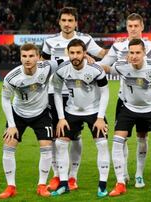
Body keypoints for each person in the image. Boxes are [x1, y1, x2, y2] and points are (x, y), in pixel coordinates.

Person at [41, 6, 107, 191]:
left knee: (75, 136)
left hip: (78, 95)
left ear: (76, 22)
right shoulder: (50, 41)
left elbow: (103, 54)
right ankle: (57, 175)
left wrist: (106, 59)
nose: (67, 24)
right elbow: (42, 63)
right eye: (64, 20)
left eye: (71, 20)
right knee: (57, 137)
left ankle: (72, 177)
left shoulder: (86, 39)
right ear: (59, 22)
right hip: (55, 93)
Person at [99, 13, 151, 188]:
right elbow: (105, 65)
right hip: (124, 99)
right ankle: (123, 172)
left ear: (142, 27)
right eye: (130, 26)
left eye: (136, 26)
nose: (133, 29)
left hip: (146, 100)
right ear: (127, 27)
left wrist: (138, 60)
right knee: (121, 138)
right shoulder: (118, 46)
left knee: (142, 137)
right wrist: (90, 63)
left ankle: (139, 174)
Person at [108, 39, 151, 197]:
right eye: (131, 52)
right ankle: (121, 182)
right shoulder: (121, 66)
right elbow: (106, 68)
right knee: (117, 142)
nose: (134, 56)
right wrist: (90, 61)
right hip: (128, 108)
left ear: (144, 53)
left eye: (137, 52)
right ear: (128, 53)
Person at [0, 43, 61, 199]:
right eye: (24, 56)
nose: (27, 59)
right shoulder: (12, 77)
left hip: (41, 113)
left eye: (31, 56)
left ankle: (41, 185)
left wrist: (87, 58)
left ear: (38, 57)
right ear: (20, 57)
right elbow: (5, 99)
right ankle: (11, 186)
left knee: (46, 146)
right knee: (8, 147)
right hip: (18, 113)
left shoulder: (47, 67)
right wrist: (11, 125)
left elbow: (63, 61)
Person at [51, 39, 110, 197]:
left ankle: (102, 186)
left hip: (94, 112)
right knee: (60, 144)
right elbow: (56, 91)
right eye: (72, 53)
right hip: (71, 111)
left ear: (85, 53)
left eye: (78, 52)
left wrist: (100, 117)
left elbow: (105, 93)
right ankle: (64, 184)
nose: (75, 56)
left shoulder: (96, 69)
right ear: (68, 53)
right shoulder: (62, 69)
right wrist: (62, 118)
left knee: (103, 144)